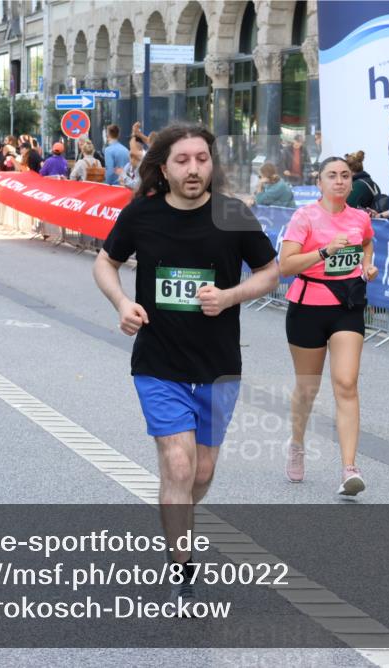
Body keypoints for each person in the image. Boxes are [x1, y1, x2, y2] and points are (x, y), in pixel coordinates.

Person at [93, 124, 278, 607]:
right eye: (182, 160)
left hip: (218, 365)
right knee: (178, 463)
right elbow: (105, 262)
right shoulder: (143, 214)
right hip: (159, 362)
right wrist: (121, 303)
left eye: (201, 158)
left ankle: (177, 515)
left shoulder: (233, 215)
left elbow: (271, 273)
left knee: (200, 472)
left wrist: (231, 295)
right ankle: (182, 566)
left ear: (211, 164)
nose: (193, 168)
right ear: (164, 167)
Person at [278, 156, 378, 496]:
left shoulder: (360, 217)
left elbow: (366, 241)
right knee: (307, 388)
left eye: (345, 176)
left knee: (346, 383)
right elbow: (286, 264)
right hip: (307, 307)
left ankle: (349, 468)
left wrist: (368, 265)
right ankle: (296, 443)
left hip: (346, 307)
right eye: (331, 175)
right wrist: (323, 253)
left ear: (351, 183)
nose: (339, 181)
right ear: (318, 182)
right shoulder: (304, 217)